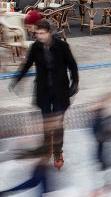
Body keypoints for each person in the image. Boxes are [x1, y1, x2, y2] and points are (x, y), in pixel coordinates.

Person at [12, 20, 80, 168]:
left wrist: (75, 82)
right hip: (43, 91)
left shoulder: (62, 46)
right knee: (46, 123)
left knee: (57, 123)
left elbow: (72, 65)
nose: (40, 36)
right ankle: (46, 147)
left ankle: (57, 151)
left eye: (42, 33)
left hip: (60, 91)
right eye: (37, 34)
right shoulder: (35, 47)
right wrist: (17, 79)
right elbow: (28, 64)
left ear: (49, 32)